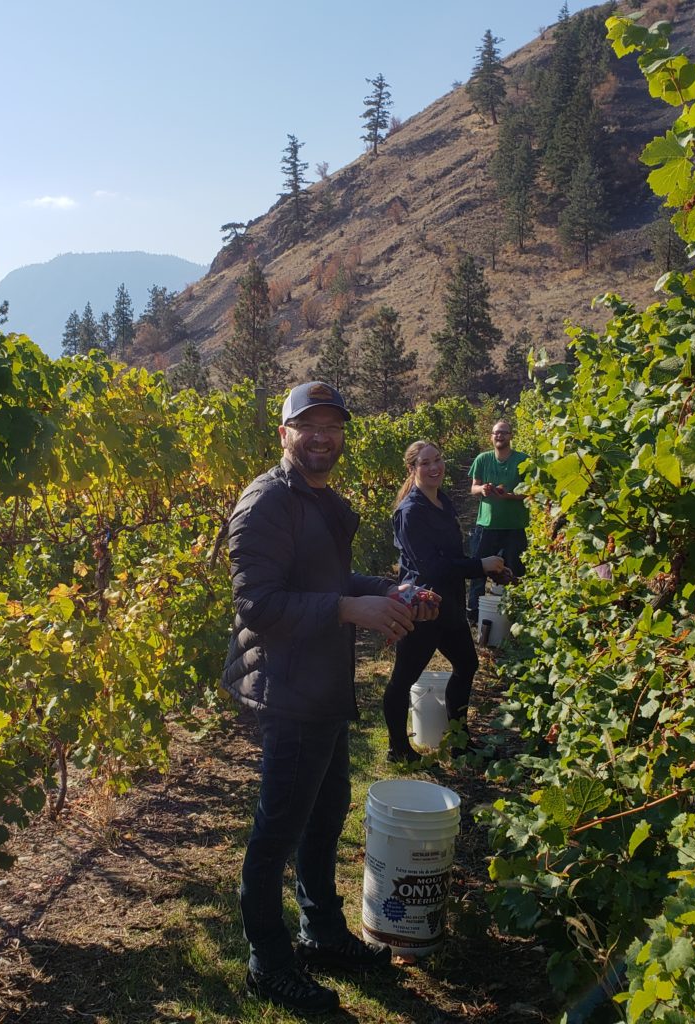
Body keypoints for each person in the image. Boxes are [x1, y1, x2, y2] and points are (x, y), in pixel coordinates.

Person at [222, 381, 437, 1015]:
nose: (322, 436)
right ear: (283, 434)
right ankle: (268, 958)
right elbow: (256, 604)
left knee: (325, 814)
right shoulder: (264, 504)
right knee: (278, 828)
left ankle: (321, 932)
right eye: (307, 425)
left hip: (323, 683)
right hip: (289, 688)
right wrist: (349, 608)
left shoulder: (315, 499)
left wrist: (392, 593)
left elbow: (330, 580)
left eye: (332, 426)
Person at [382, 441, 504, 763]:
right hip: (423, 607)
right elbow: (431, 568)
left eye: (438, 460)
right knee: (403, 679)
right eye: (425, 463)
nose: (435, 467)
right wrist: (480, 566)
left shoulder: (443, 500)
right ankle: (399, 749)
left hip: (448, 603)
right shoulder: (411, 512)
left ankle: (460, 741)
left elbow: (452, 557)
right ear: (413, 469)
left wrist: (486, 568)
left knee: (467, 664)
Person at [466, 419, 529, 625]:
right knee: (478, 570)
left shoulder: (523, 460)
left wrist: (509, 496)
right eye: (496, 433)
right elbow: (473, 488)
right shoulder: (482, 459)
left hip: (514, 525)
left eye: (503, 432)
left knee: (516, 569)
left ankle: (516, 613)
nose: (499, 436)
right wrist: (483, 489)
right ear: (491, 437)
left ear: (511, 436)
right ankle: (474, 612)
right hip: (487, 525)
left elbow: (531, 491)